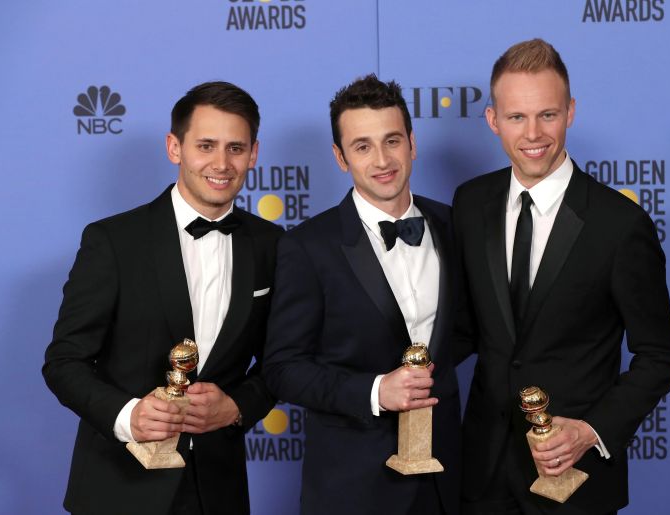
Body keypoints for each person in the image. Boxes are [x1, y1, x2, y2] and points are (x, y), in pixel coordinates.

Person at [452, 39, 670, 514]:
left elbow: (659, 355)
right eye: (516, 117)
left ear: (571, 111)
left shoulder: (620, 225)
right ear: (493, 120)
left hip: (575, 483)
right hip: (483, 476)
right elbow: (468, 327)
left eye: (548, 115)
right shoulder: (470, 203)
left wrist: (590, 431)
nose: (533, 132)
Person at [43, 81, 282, 515]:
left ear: (254, 153)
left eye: (235, 148)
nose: (221, 163)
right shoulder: (113, 241)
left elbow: (283, 360)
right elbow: (64, 362)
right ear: (175, 148)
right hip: (119, 489)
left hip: (218, 490)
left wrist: (235, 407)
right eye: (205, 145)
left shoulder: (272, 244)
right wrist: (127, 415)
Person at [262, 74, 461, 515]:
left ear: (412, 142)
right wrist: (375, 391)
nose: (382, 160)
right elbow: (282, 368)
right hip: (352, 489)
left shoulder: (456, 226)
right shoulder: (307, 247)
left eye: (392, 140)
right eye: (362, 146)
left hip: (448, 482)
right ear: (340, 157)